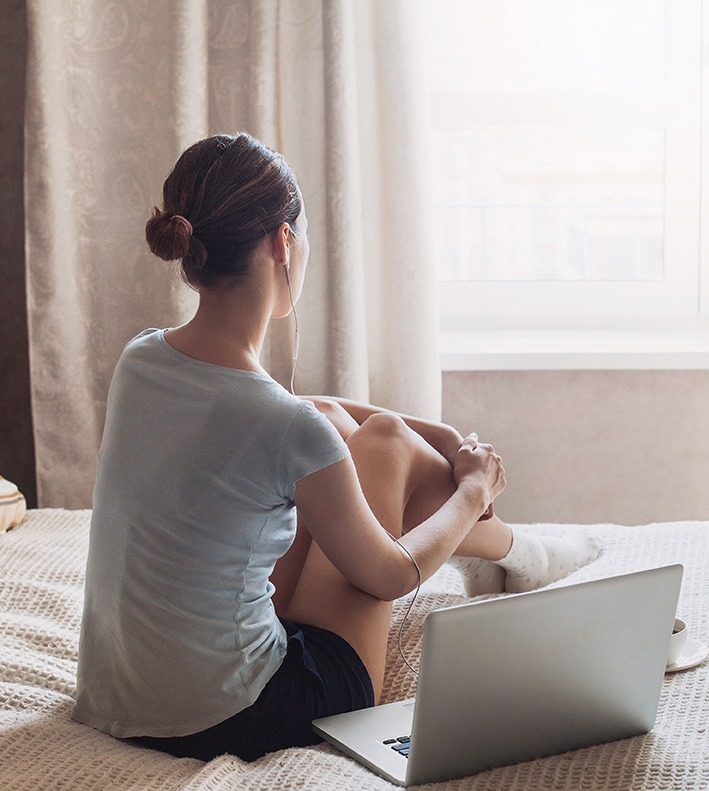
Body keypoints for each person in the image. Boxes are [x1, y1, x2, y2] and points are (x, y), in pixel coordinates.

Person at [71, 133, 600, 762]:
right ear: (281, 242)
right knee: (382, 441)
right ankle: (517, 553)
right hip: (239, 713)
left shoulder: (141, 359)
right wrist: (474, 488)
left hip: (119, 699)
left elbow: (304, 415)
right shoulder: (280, 425)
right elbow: (390, 575)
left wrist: (444, 437)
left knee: (343, 424)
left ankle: (511, 555)